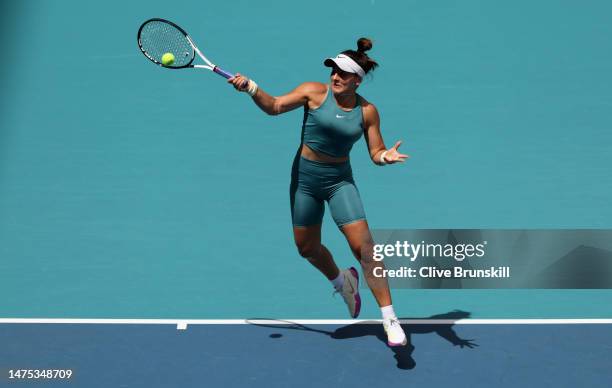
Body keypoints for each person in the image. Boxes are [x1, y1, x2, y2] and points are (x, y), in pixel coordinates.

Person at [228, 38, 409, 346]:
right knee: (307, 248)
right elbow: (274, 107)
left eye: (342, 73)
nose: (335, 77)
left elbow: (376, 151)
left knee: (365, 249)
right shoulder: (313, 92)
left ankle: (390, 318)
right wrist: (252, 88)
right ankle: (344, 282)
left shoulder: (367, 112)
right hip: (305, 180)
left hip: (340, 182)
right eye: (333, 71)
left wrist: (384, 157)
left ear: (356, 80)